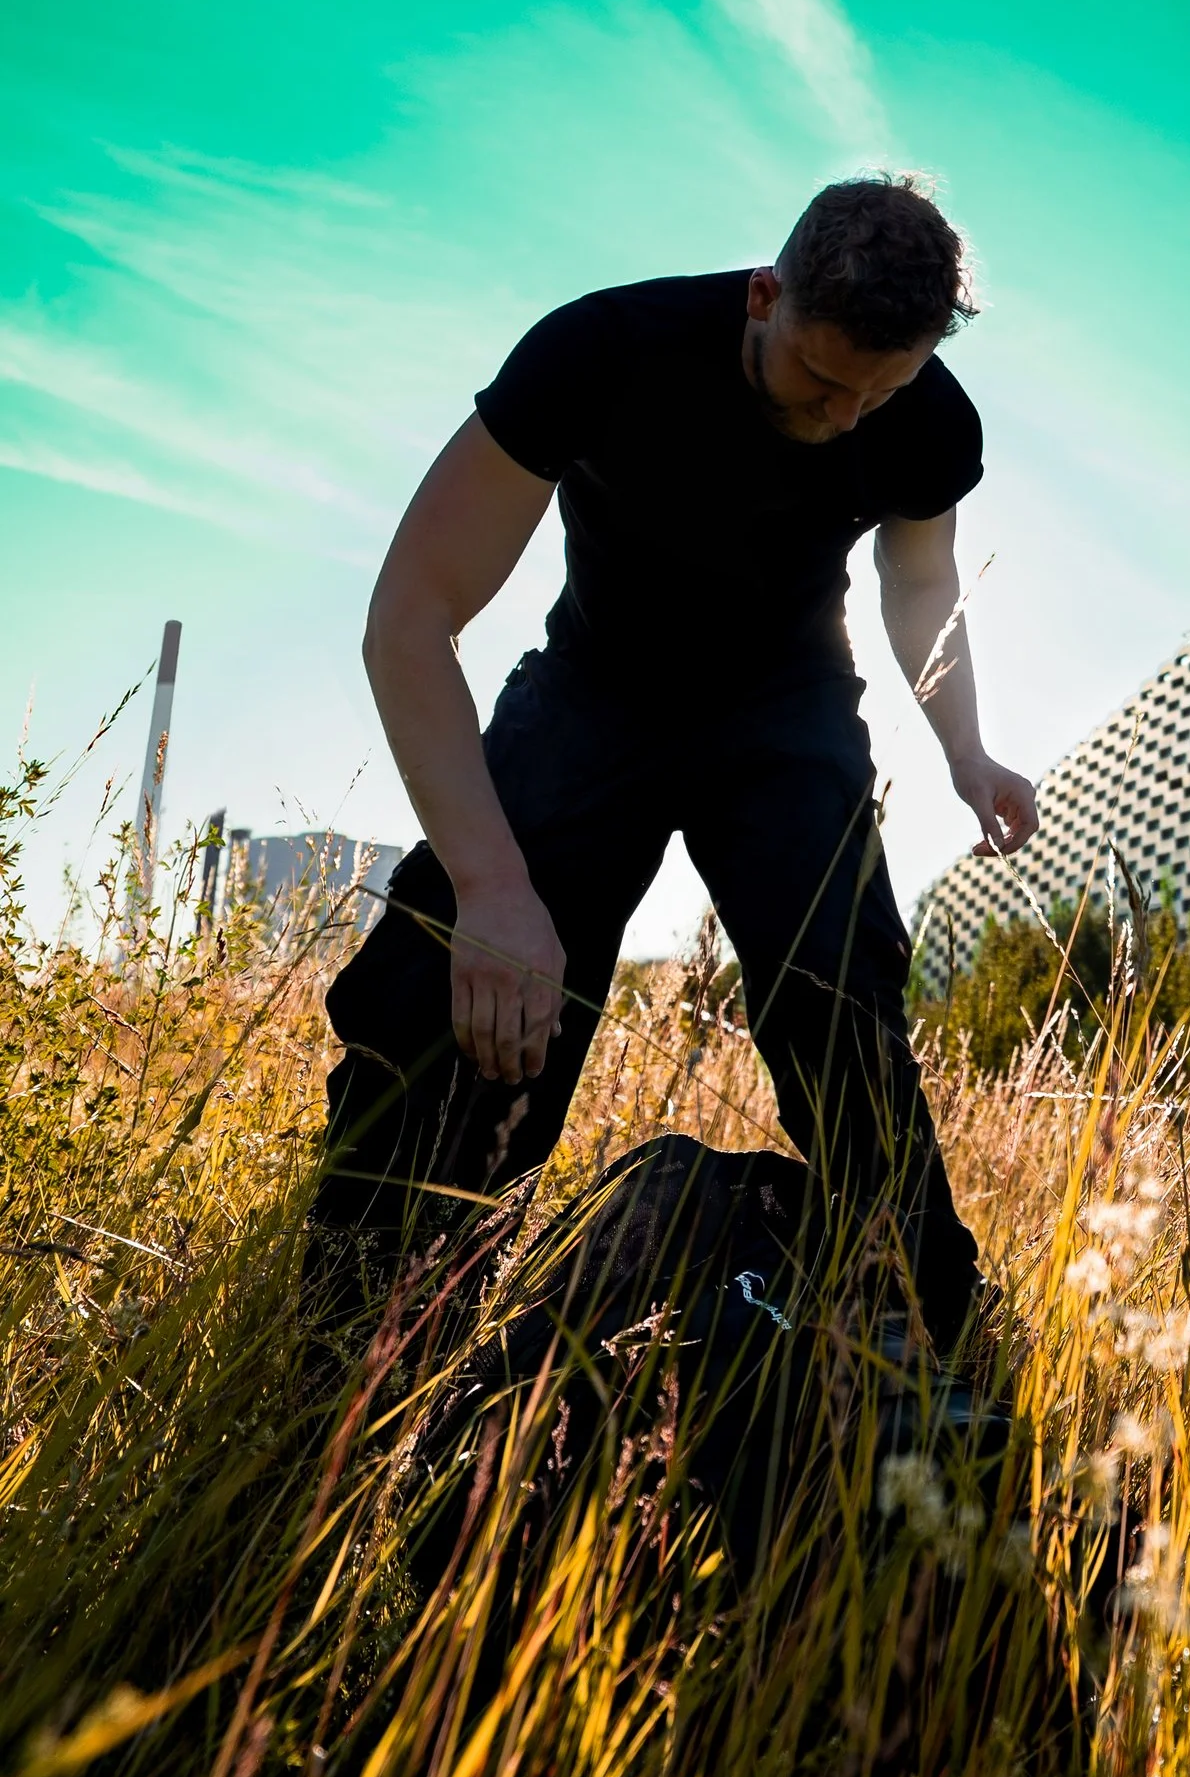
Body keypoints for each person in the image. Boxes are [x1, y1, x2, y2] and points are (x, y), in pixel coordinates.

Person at [307, 174, 1037, 1358]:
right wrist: (495, 889)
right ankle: (360, 1328)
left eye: (879, 393)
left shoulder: (928, 420)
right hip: (598, 689)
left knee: (840, 999)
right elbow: (410, 614)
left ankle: (932, 1328)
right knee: (451, 971)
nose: (847, 415)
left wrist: (965, 747)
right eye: (820, 378)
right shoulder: (602, 350)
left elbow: (919, 581)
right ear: (763, 295)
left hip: (790, 709)